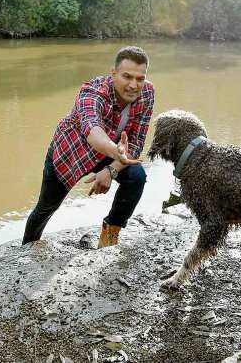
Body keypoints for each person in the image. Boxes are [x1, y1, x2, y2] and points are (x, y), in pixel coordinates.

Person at [22, 46, 155, 248]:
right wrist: (117, 153)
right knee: (46, 208)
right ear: (113, 74)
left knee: (137, 177)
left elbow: (136, 141)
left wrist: (111, 170)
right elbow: (94, 134)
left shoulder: (147, 93)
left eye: (140, 78)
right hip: (71, 153)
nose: (133, 85)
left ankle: (110, 233)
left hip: (112, 154)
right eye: (127, 76)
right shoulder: (92, 92)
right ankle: (27, 248)